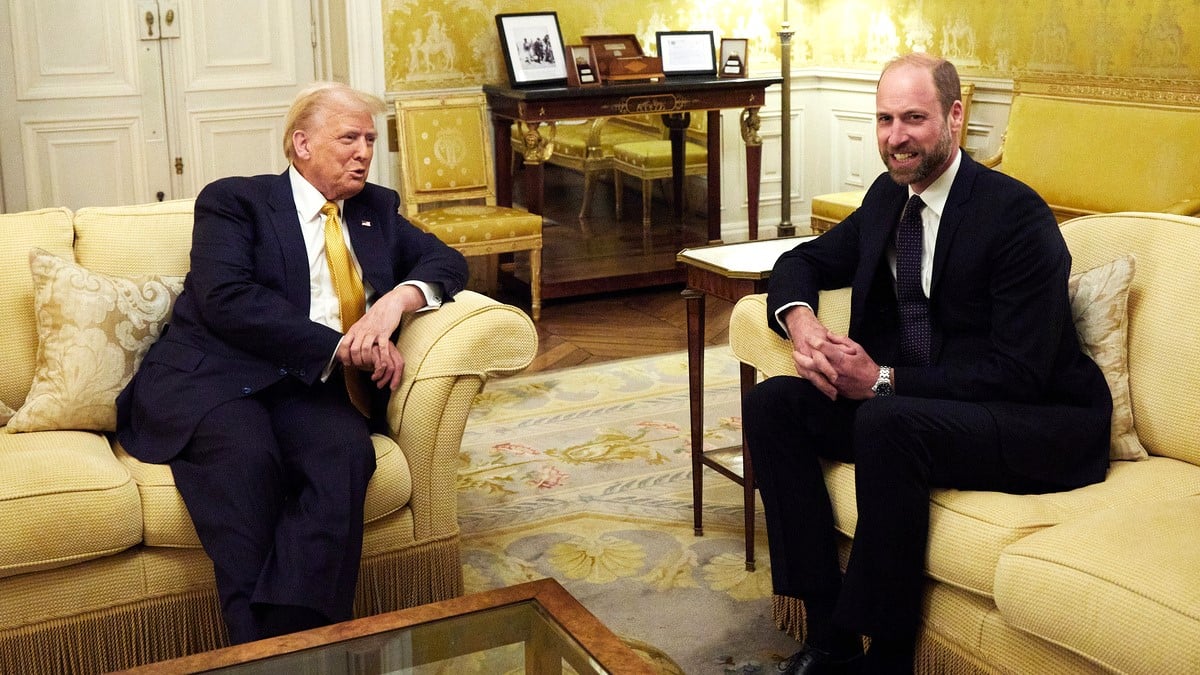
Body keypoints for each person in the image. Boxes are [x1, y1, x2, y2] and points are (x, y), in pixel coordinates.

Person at [744, 54, 1111, 674]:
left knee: (886, 422)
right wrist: (802, 322)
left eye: (914, 118)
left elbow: (1021, 372)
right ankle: (828, 633)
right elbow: (800, 263)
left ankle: (886, 655)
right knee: (774, 403)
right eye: (885, 119)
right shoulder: (888, 200)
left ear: (955, 118)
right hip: (922, 408)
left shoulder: (1015, 215)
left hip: (1035, 419)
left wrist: (883, 381)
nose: (896, 137)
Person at [116, 82, 468, 644]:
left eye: (370, 139)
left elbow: (446, 261)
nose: (364, 152)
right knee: (248, 461)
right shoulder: (235, 201)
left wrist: (393, 306)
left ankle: (298, 645)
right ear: (301, 144)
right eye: (348, 138)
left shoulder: (375, 208)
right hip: (217, 379)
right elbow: (226, 297)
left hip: (307, 386)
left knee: (344, 454)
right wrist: (340, 347)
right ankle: (262, 648)